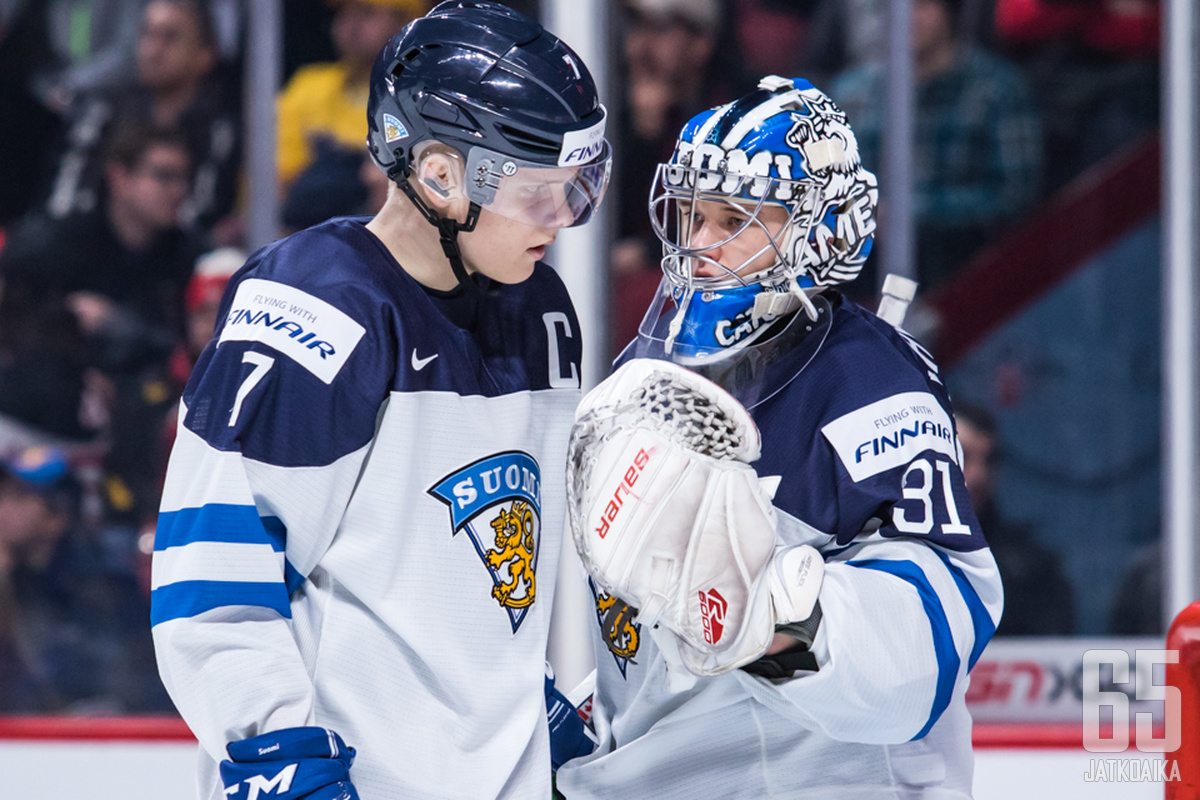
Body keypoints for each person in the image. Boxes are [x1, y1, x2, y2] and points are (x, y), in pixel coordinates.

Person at [150, 3, 610, 798]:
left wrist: (524, 705)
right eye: (536, 190)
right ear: (438, 172)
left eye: (575, 188)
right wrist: (281, 757)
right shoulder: (313, 309)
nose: (561, 219)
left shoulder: (541, 311)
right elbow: (215, 584)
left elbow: (465, 571)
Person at [555, 75, 1003, 799]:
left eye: (731, 219)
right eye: (691, 214)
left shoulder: (869, 386)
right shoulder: (643, 369)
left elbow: (930, 638)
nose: (696, 246)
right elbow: (640, 630)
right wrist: (586, 718)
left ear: (817, 229)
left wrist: (777, 626)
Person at [830, 0, 1042, 292]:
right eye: (895, 9)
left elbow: (1015, 197)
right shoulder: (853, 92)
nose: (908, 18)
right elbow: (829, 187)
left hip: (968, 277)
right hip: (867, 280)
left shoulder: (996, 88)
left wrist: (910, 213)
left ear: (949, 13)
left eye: (921, 6)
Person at [40, 0, 240, 236]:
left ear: (205, 55)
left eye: (170, 37)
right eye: (147, 34)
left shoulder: (219, 127)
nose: (153, 50)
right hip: (95, 254)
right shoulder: (105, 112)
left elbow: (206, 215)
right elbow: (64, 203)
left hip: (183, 261)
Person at [276, 0, 425, 195]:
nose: (352, 24)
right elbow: (276, 179)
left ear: (405, 25)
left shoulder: (427, 96)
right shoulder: (307, 85)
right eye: (344, 12)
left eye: (367, 13)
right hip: (311, 221)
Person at [955, 402, 1074, 635]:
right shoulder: (894, 553)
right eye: (963, 457)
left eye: (989, 460)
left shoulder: (1032, 571)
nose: (979, 475)